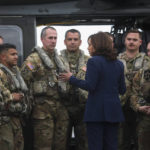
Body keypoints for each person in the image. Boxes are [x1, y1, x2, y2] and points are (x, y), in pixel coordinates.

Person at [59, 31, 126, 150]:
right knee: (111, 145)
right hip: (114, 111)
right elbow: (122, 90)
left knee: (95, 146)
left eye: (90, 44)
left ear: (97, 45)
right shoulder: (119, 64)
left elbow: (90, 86)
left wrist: (71, 78)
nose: (88, 47)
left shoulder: (93, 61)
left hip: (96, 112)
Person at [21, 26, 69, 150]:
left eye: (55, 38)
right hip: (42, 108)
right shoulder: (33, 59)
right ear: (42, 39)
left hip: (60, 107)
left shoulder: (60, 60)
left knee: (61, 144)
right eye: (50, 38)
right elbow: (23, 82)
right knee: (43, 145)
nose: (53, 41)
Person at [118, 29, 150, 150]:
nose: (131, 42)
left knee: (141, 143)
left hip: (141, 110)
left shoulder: (147, 61)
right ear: (124, 41)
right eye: (129, 39)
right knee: (120, 142)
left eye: (135, 40)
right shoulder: (116, 61)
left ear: (140, 42)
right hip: (121, 106)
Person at [60, 29, 89, 150]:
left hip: (83, 107)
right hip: (63, 107)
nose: (72, 42)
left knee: (84, 143)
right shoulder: (57, 60)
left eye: (75, 39)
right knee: (61, 143)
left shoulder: (89, 61)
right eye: (69, 39)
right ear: (65, 41)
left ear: (80, 42)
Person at [0, 43, 30, 150]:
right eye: (12, 54)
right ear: (3, 57)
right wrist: (11, 97)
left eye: (16, 54)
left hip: (16, 118)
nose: (16, 57)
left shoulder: (15, 72)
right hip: (3, 121)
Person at [130, 64, 150, 150]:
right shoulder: (142, 72)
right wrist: (138, 107)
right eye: (148, 51)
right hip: (145, 117)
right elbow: (134, 93)